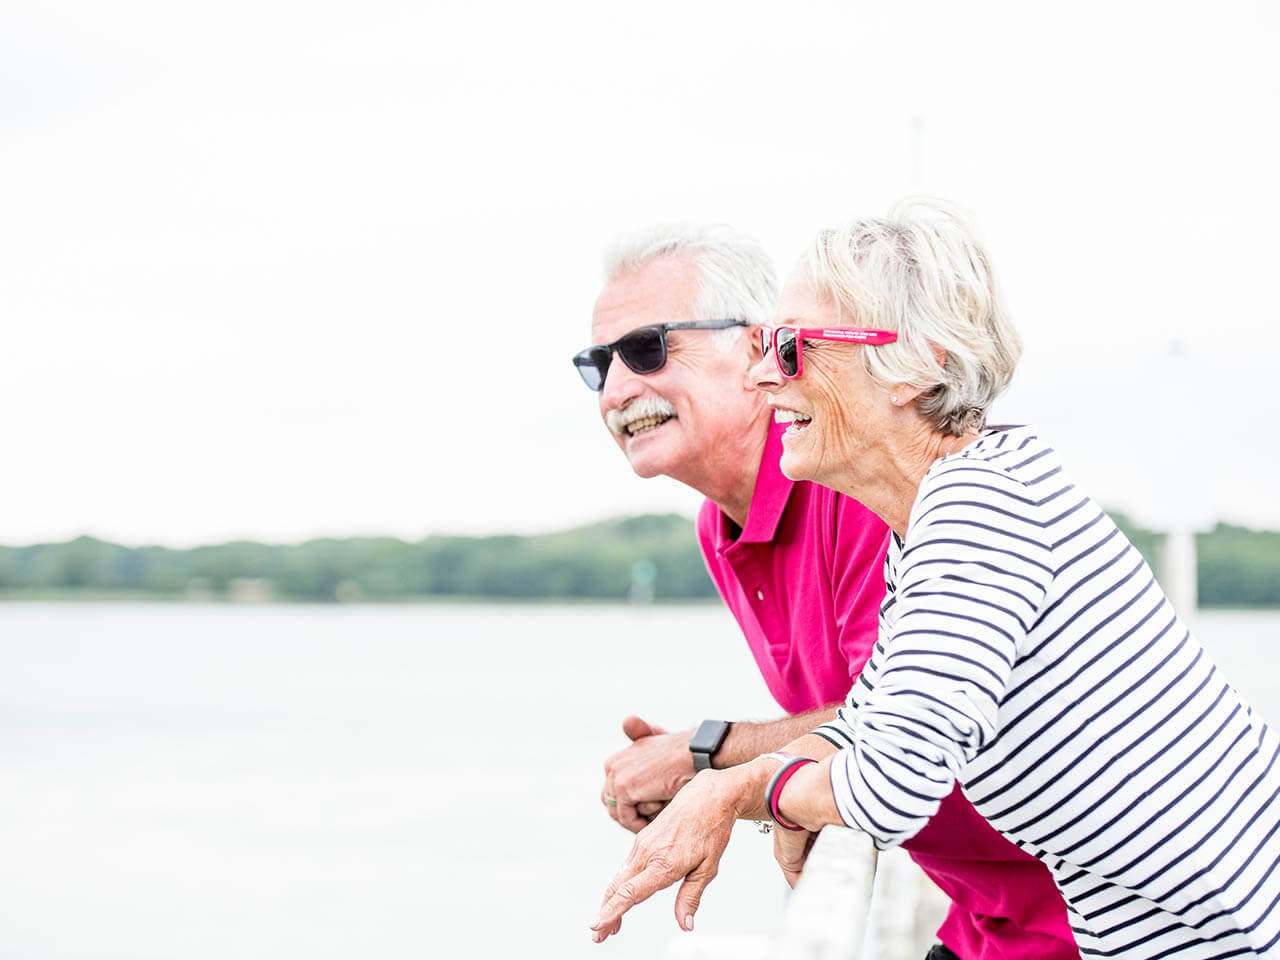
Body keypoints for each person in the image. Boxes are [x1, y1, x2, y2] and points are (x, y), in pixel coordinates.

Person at [590, 200, 1280, 959]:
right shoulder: (938, 514)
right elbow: (870, 720)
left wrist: (734, 788)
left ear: (917, 363)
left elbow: (891, 783)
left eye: (791, 349)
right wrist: (752, 776)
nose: (764, 374)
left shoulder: (975, 507)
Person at [577, 223, 1076, 959]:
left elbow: (903, 730)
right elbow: (860, 719)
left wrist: (710, 760)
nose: (618, 388)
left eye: (648, 348)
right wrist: (719, 779)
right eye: (598, 364)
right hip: (984, 917)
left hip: (1081, 915)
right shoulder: (721, 527)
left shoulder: (873, 480)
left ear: (756, 347)